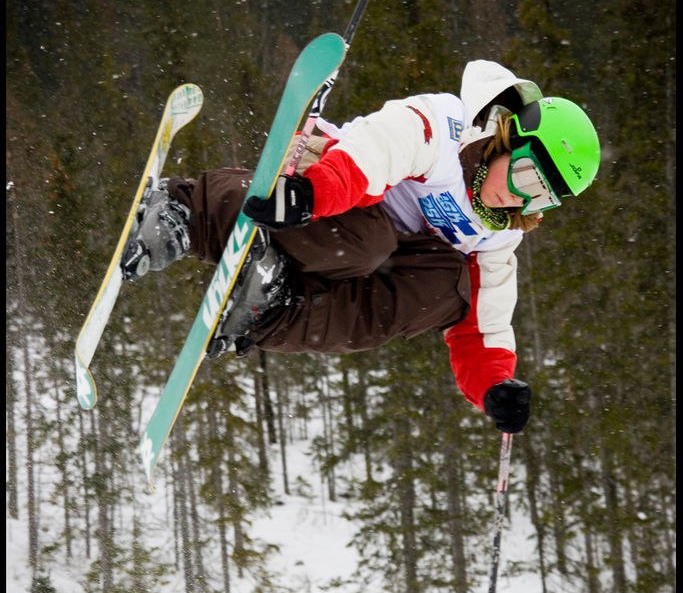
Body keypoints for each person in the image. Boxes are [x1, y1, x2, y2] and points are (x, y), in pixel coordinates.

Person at [122, 60, 600, 435]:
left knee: (448, 289)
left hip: (354, 256)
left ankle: (272, 308)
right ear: (508, 138)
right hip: (327, 184)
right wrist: (313, 194)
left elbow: (485, 323)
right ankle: (187, 209)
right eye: (525, 177)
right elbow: (379, 150)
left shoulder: (500, 234)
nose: (520, 198)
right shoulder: (445, 125)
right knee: (367, 242)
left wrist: (495, 386)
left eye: (542, 197)